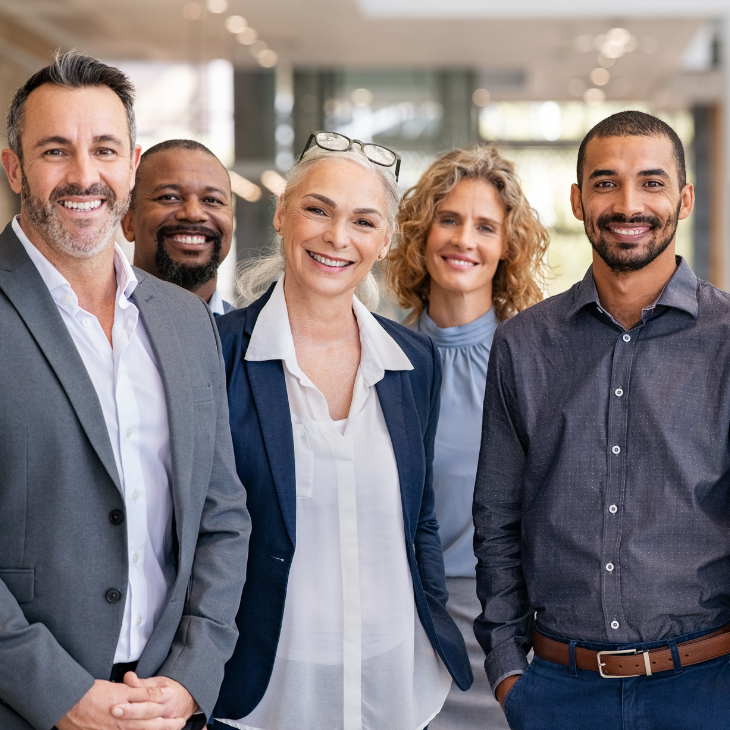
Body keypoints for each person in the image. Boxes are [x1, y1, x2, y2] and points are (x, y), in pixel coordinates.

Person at [0, 51, 250, 730]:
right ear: (15, 166)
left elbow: (222, 514)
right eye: (56, 150)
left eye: (104, 150)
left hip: (168, 705)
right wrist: (60, 694)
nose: (84, 176)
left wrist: (193, 677)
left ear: (131, 165)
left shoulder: (183, 319)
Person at [472, 110, 730, 730]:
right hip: (560, 693)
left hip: (707, 691)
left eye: (652, 182)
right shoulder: (524, 345)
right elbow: (497, 518)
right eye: (606, 182)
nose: (628, 203)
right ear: (578, 200)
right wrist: (510, 671)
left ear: (685, 198)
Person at [212, 131, 472, 730]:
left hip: (393, 682)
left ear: (384, 241)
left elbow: (420, 515)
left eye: (362, 221)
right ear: (281, 213)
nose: (337, 237)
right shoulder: (216, 354)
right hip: (266, 689)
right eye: (317, 209)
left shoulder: (413, 361)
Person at [387, 145, 548, 730]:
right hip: (399, 627)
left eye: (485, 226)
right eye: (449, 219)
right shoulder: (376, 357)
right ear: (421, 233)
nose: (464, 240)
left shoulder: (536, 363)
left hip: (508, 629)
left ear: (507, 247)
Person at [121, 139, 236, 315]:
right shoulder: (93, 331)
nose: (193, 213)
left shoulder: (255, 338)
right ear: (127, 221)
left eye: (212, 200)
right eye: (169, 197)